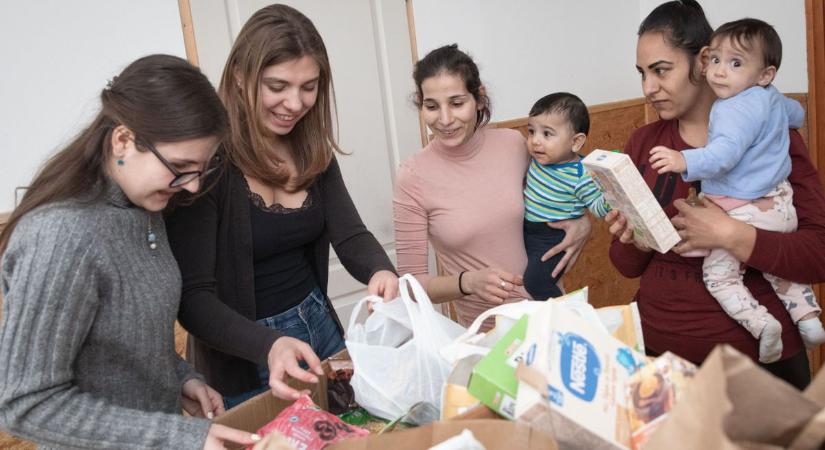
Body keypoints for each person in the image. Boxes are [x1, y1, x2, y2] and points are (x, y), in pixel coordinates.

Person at [0, 55, 258, 449]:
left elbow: (124, 344)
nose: (190, 187)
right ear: (123, 140)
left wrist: (180, 377)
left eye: (199, 170)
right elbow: (26, 403)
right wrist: (178, 437)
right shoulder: (60, 236)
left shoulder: (144, 207)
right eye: (179, 166)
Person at [165, 4, 398, 409]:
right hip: (244, 354)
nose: (295, 103)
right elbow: (194, 300)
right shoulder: (208, 161)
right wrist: (269, 344)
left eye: (309, 86)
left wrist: (380, 270)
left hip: (319, 326)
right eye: (278, 86)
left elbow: (351, 234)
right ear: (240, 76)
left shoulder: (311, 148)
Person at [607, 0, 825, 389]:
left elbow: (819, 253)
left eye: (661, 70)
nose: (647, 89)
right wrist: (634, 233)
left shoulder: (771, 135)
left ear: (703, 60)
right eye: (642, 73)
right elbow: (626, 265)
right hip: (657, 359)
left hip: (755, 367)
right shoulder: (644, 142)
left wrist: (730, 235)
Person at [393, 44, 591, 329]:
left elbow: (559, 193)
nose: (445, 119)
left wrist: (584, 223)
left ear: (479, 99)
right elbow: (410, 287)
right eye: (432, 106)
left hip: (550, 313)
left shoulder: (513, 144)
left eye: (457, 103)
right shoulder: (412, 177)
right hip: (490, 333)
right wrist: (467, 282)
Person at [522, 92, 611, 300]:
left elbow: (598, 208)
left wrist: (612, 191)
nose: (535, 141)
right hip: (527, 230)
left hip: (552, 237)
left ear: (576, 142)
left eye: (547, 134)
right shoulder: (538, 158)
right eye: (531, 131)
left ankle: (569, 315)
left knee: (535, 283)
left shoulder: (581, 175)